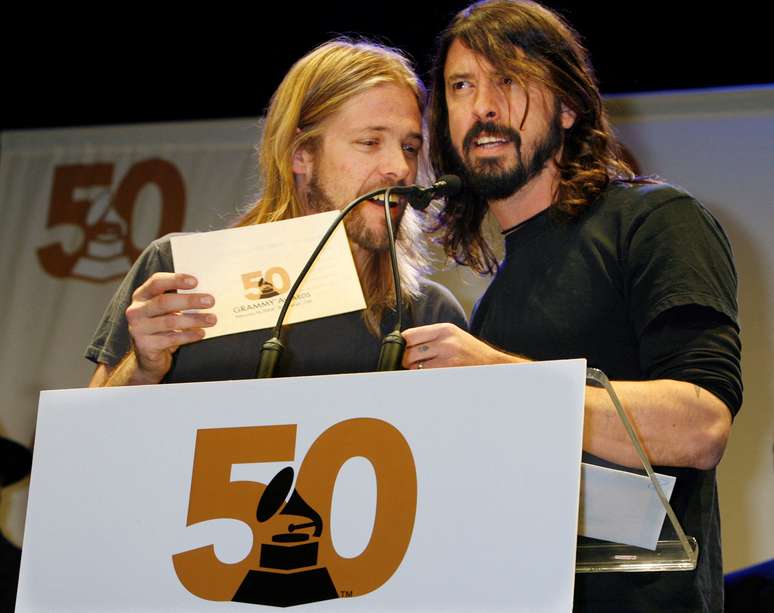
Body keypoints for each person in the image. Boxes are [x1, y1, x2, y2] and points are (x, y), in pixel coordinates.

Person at [401, 2, 742, 612]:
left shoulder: (654, 222)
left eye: (508, 79)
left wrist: (498, 378)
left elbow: (701, 425)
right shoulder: (497, 300)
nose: (483, 106)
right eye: (461, 86)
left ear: (568, 106)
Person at [86, 39, 465, 386]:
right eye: (370, 142)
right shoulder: (184, 277)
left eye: (410, 148)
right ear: (301, 154)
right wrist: (142, 368)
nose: (399, 168)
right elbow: (86, 441)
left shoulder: (428, 316)